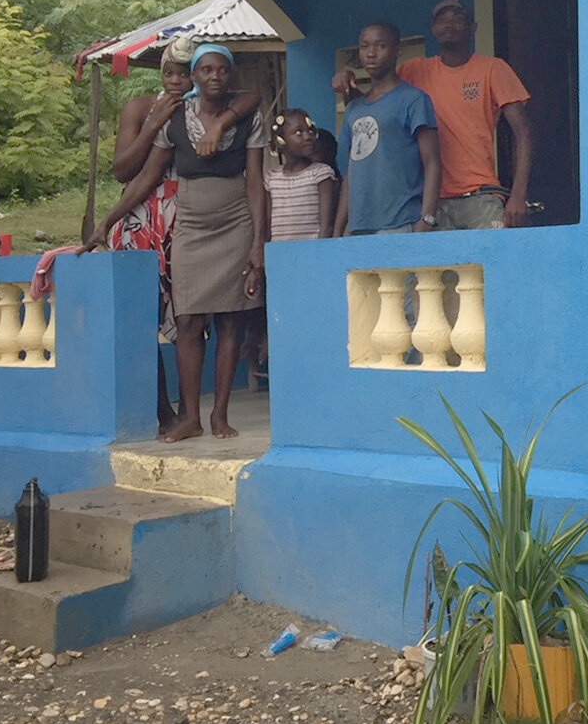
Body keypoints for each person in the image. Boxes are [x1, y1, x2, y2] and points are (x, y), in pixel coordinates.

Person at [90, 44, 266, 442]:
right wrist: (108, 221)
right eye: (205, 70)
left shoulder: (247, 117)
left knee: (230, 321)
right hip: (189, 225)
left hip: (235, 222)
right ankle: (191, 418)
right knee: (188, 321)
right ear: (195, 78)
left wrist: (259, 241)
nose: (214, 76)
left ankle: (219, 416)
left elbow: (256, 181)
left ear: (230, 75)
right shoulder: (175, 119)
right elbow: (144, 177)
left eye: (222, 70)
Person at [335, 0, 533, 229]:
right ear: (433, 29)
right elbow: (377, 107)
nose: (449, 25)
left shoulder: (492, 68)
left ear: (473, 27)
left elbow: (523, 133)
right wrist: (347, 83)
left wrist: (518, 195)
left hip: (480, 195)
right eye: (442, 19)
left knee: (490, 263)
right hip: (429, 203)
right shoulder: (415, 69)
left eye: (457, 18)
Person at [333, 22, 440, 236]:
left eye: (380, 46)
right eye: (364, 47)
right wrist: (337, 232)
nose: (371, 54)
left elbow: (432, 163)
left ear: (397, 51)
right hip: (358, 227)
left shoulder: (414, 100)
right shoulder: (354, 109)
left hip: (401, 223)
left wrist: (427, 218)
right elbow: (349, 175)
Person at [266, 110, 339, 242]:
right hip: (280, 253)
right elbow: (268, 222)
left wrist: (319, 251)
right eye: (298, 132)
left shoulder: (322, 174)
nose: (307, 136)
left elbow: (326, 224)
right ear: (280, 141)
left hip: (311, 253)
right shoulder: (272, 178)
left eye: (310, 131)